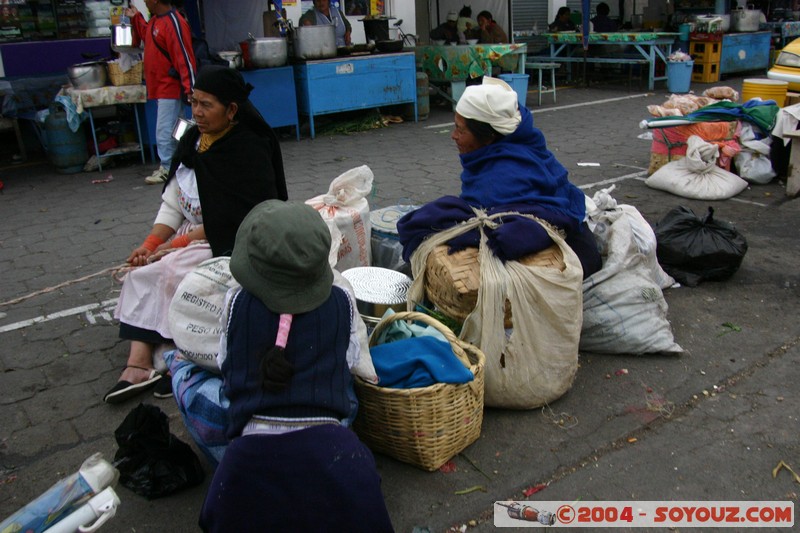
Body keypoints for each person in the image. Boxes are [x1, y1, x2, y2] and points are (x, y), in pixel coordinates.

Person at [194, 200, 394, 532]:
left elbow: (224, 363)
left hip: (249, 452)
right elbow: (351, 363)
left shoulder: (236, 301)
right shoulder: (343, 300)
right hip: (334, 446)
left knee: (187, 378)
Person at [103, 65, 288, 404]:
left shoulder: (249, 148)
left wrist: (177, 245)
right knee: (141, 273)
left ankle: (180, 356)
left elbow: (244, 216)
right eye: (193, 102)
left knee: (176, 274)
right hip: (190, 235)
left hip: (232, 241)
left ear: (231, 110)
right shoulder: (192, 141)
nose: (197, 112)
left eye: (206, 105)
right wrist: (150, 244)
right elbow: (174, 204)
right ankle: (139, 363)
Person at [398, 77, 601, 278]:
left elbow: (492, 230)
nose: (454, 135)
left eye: (461, 130)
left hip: (574, 261)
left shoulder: (499, 180)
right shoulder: (523, 139)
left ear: (488, 137)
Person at [125, 0, 197, 186]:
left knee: (165, 130)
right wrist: (136, 18)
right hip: (162, 87)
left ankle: (167, 167)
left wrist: (190, 88)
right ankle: (180, 162)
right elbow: (147, 35)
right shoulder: (157, 21)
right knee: (175, 129)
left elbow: (184, 57)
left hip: (169, 87)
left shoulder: (174, 22)